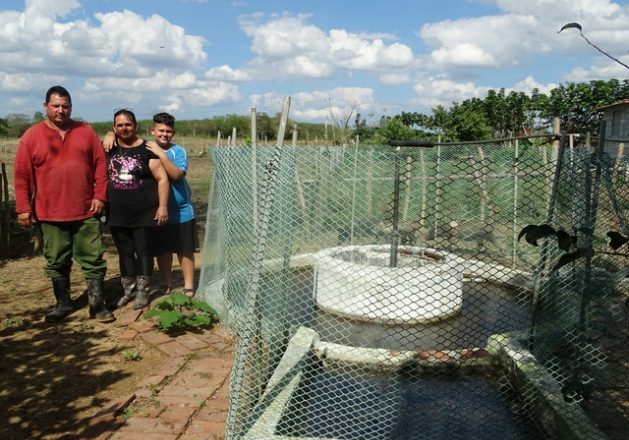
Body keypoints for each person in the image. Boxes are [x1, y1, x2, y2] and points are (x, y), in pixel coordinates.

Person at [14, 85, 114, 323]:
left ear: (71, 107)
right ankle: (63, 304)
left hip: (86, 211)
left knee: (93, 259)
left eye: (65, 106)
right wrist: (23, 208)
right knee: (57, 260)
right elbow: (22, 176)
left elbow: (101, 166)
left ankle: (97, 305)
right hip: (50, 212)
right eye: (56, 106)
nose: (61, 110)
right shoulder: (31, 136)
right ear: (45, 107)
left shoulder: (85, 131)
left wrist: (100, 195)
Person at [106, 109, 169, 310]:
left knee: (143, 251)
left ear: (136, 126)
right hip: (117, 212)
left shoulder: (147, 149)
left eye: (128, 124)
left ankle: (143, 290)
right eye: (120, 125)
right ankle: (128, 289)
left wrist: (162, 206)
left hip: (144, 211)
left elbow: (162, 178)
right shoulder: (109, 148)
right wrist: (107, 136)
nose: (124, 128)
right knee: (124, 252)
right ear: (114, 128)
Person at [146, 113, 199, 297]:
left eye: (168, 131)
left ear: (173, 133)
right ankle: (166, 283)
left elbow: (176, 176)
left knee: (185, 250)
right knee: (163, 249)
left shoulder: (179, 152)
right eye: (161, 130)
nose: (164, 134)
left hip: (181, 210)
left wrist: (160, 154)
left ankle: (189, 286)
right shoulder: (145, 149)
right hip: (158, 210)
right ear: (153, 130)